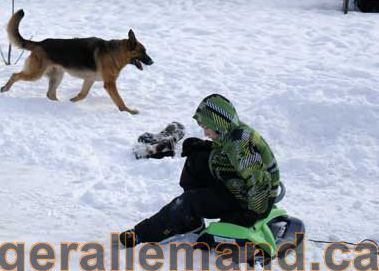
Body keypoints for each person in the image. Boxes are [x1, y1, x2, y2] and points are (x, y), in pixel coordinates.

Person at [120, 93, 280, 247]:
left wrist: (251, 215)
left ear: (218, 123)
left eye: (206, 127)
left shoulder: (240, 145)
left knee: (188, 202)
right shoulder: (231, 130)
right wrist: (206, 147)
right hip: (240, 186)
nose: (205, 132)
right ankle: (192, 221)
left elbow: (259, 181)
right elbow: (233, 157)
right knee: (196, 157)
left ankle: (143, 233)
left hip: (250, 202)